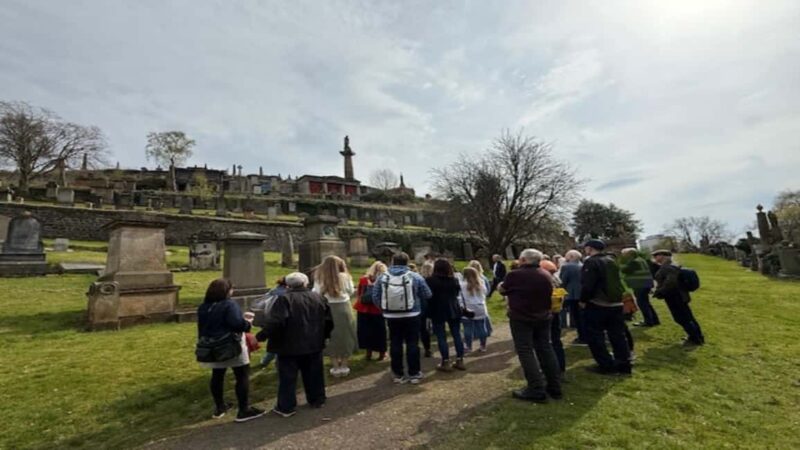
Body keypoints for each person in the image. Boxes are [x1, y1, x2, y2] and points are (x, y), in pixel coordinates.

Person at [258, 272, 333, 417]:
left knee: (287, 377)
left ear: (287, 285)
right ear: (305, 283)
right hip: (313, 343)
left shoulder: (284, 299)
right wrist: (325, 336)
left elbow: (276, 322)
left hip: (289, 345)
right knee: (314, 374)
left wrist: (261, 336)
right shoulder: (318, 297)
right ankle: (317, 399)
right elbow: (329, 320)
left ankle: (286, 407)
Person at [197, 279, 265, 422]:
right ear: (227, 291)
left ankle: (220, 407)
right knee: (242, 375)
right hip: (231, 344)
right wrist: (247, 323)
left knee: (217, 375)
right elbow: (237, 324)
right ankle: (243, 410)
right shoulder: (229, 304)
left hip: (212, 345)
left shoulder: (204, 306)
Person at [500, 249, 562, 402]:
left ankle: (536, 389)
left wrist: (501, 286)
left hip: (522, 317)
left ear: (523, 260)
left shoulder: (515, 275)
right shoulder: (545, 274)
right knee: (546, 348)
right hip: (543, 315)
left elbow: (503, 290)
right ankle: (554, 386)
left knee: (525, 351)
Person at [372, 252, 432, 384]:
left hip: (391, 315)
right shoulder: (415, 276)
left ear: (392, 261)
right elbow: (427, 294)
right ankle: (414, 373)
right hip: (412, 314)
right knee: (412, 343)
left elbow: (375, 296)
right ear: (407, 261)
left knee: (395, 342)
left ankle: (398, 374)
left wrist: (384, 308)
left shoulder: (382, 277)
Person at [580, 239, 632, 375]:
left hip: (598, 303)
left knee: (595, 336)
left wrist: (583, 300)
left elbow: (588, 285)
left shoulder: (591, 262)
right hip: (616, 302)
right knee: (618, 335)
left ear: (589, 249)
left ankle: (606, 365)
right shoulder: (612, 260)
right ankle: (624, 364)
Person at [313, 256, 357, 377]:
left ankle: (335, 366)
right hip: (343, 307)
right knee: (345, 334)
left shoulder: (319, 277)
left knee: (329, 335)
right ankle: (344, 364)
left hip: (326, 308)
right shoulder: (345, 276)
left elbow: (315, 293)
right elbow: (350, 291)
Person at [652, 250, 705, 345]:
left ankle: (695, 338)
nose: (655, 258)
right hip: (680, 294)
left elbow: (670, 282)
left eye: (656, 256)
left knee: (681, 318)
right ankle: (697, 336)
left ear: (663, 256)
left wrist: (660, 292)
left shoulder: (667, 267)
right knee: (687, 316)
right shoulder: (673, 265)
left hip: (675, 296)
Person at [426, 259, 467, 371]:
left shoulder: (430, 280)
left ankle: (445, 361)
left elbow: (427, 295)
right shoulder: (454, 280)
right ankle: (460, 359)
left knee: (441, 336)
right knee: (457, 334)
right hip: (453, 308)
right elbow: (457, 293)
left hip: (437, 309)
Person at [354, 261, 388, 361]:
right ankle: (382, 353)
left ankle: (368, 352)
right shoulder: (384, 280)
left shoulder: (363, 279)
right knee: (380, 332)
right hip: (377, 309)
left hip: (363, 309)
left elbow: (359, 294)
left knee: (366, 331)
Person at [620, 248, 660, 327]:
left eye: (624, 254)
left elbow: (624, 270)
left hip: (640, 284)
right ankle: (654, 320)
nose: (623, 256)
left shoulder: (634, 262)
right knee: (646, 303)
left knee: (642, 304)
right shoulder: (640, 260)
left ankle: (648, 321)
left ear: (629, 254)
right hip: (645, 284)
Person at [539, 260, 566, 375]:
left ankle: (550, 368)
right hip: (557, 312)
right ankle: (560, 365)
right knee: (556, 340)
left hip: (546, 313)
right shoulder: (557, 280)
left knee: (545, 342)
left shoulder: (542, 280)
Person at [260, 277, 288, 368]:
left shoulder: (272, 291)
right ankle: (277, 362)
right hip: (281, 320)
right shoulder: (287, 294)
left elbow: (261, 303)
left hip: (269, 319)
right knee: (281, 342)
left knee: (273, 341)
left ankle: (265, 361)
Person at [460, 267, 489, 352]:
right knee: (481, 327)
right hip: (480, 306)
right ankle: (483, 346)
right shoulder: (481, 282)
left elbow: (460, 297)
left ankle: (468, 347)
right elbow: (486, 293)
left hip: (467, 307)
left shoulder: (462, 284)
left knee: (467, 328)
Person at [560, 250, 585, 345]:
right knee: (582, 316)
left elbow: (563, 281)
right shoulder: (582, 265)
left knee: (577, 317)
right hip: (583, 293)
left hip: (572, 294)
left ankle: (582, 337)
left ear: (570, 256)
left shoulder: (567, 267)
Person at [418, 260, 435, 357]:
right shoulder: (435, 280)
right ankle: (427, 348)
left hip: (422, 306)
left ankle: (426, 348)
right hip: (432, 305)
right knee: (427, 328)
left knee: (423, 328)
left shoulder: (419, 279)